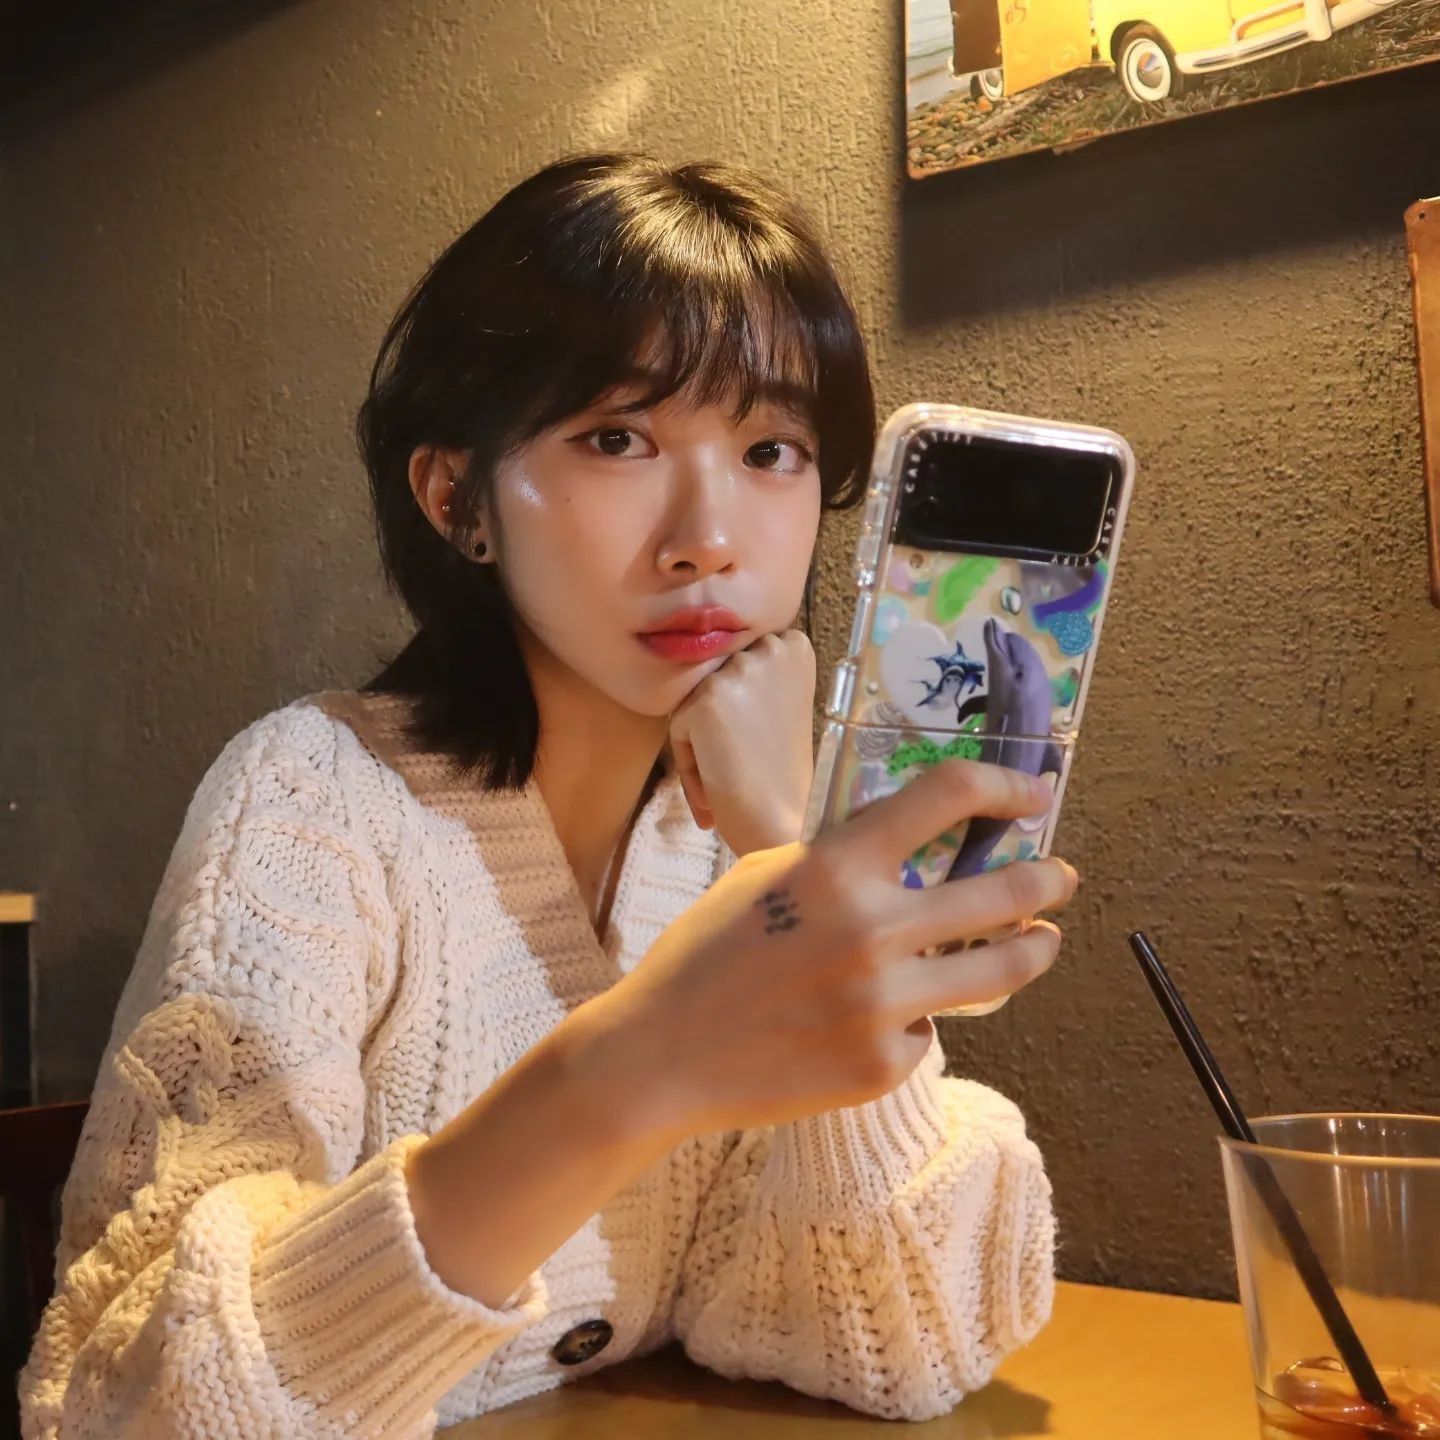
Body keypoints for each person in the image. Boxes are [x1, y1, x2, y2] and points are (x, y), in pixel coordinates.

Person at [20, 153, 1077, 1439]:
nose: (708, 538)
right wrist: (641, 1061)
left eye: (771, 450)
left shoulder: (724, 833)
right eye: (617, 438)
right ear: (457, 498)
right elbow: (129, 1401)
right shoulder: (311, 801)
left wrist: (785, 852)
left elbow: (892, 1342)